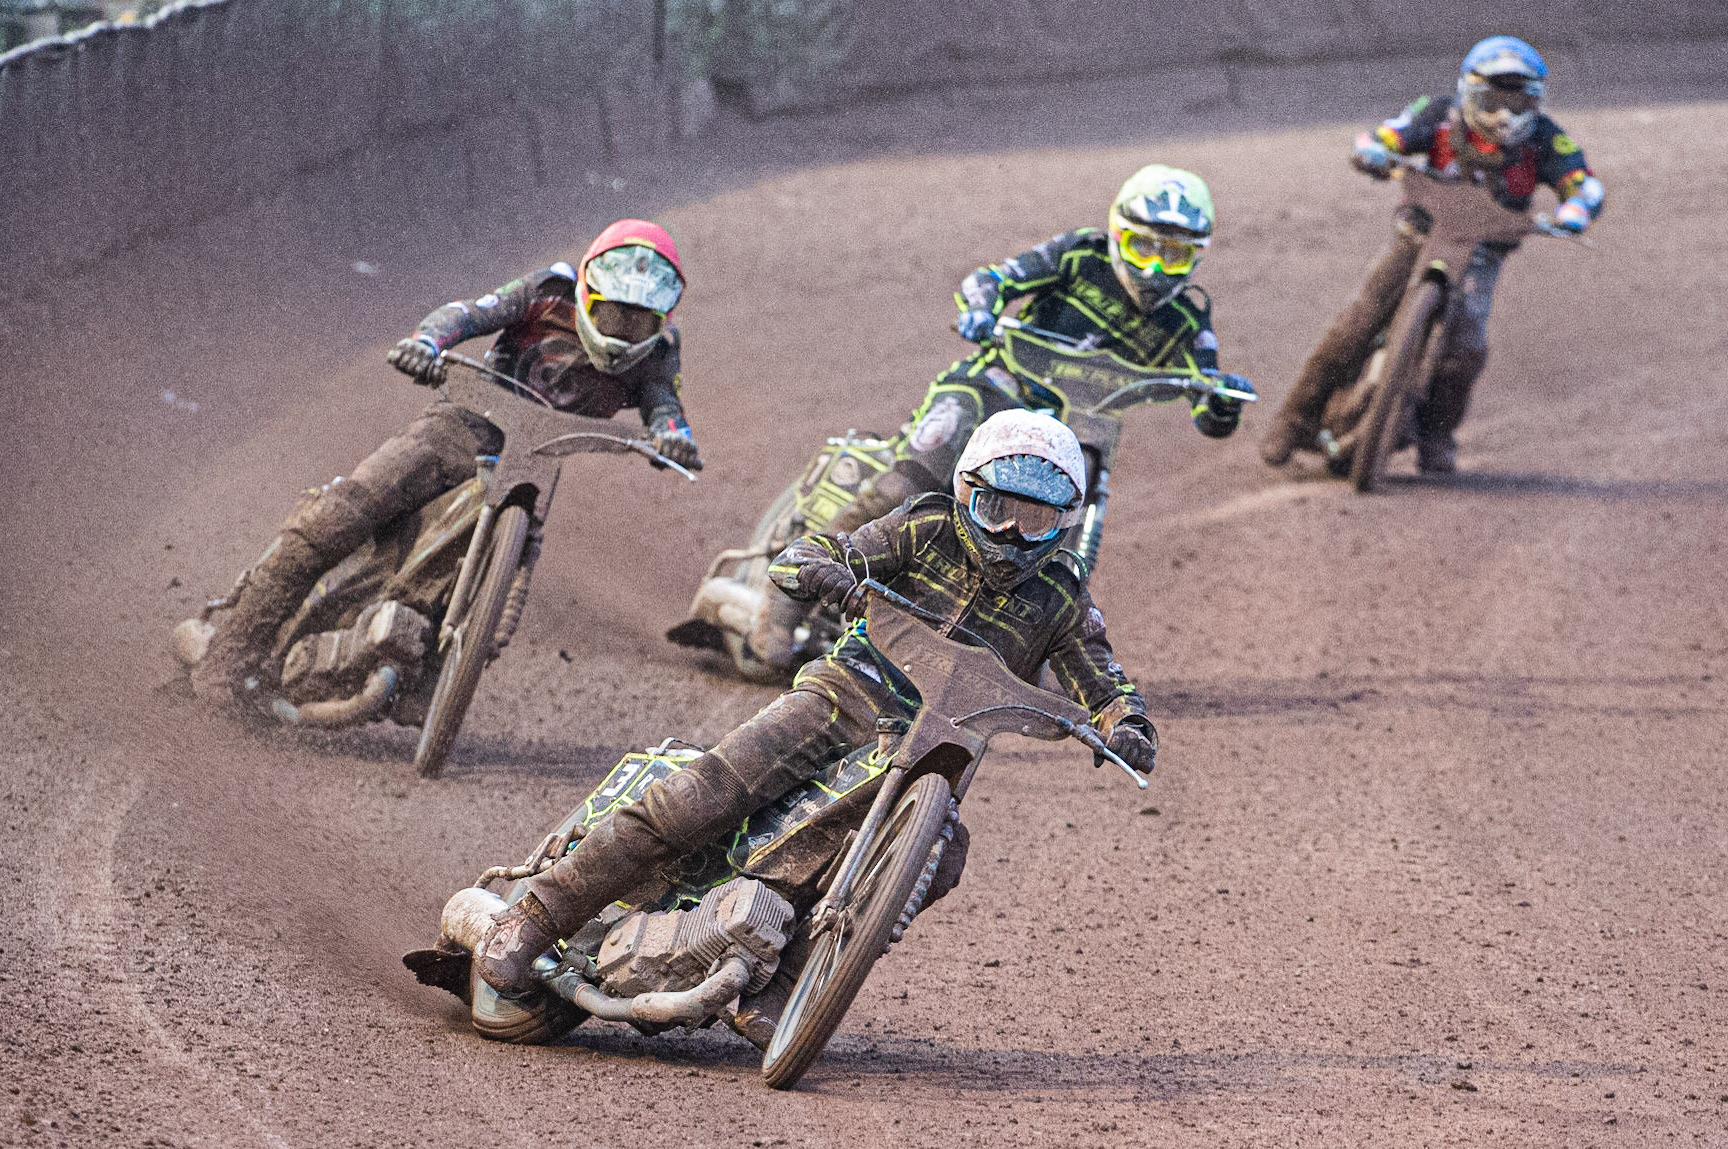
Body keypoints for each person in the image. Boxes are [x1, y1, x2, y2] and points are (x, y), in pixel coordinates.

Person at [475, 411, 1159, 998]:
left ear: (1064, 525)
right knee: (705, 792)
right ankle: (537, 914)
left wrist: (1124, 722)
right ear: (965, 493)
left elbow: (1102, 678)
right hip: (846, 693)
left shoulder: (1063, 597)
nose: (1011, 535)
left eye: (1034, 519)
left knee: (937, 857)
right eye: (997, 509)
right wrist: (822, 568)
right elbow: (823, 548)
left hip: (935, 748)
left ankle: (792, 981)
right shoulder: (925, 527)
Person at [741, 164, 1250, 670]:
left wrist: (1223, 401)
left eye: (1175, 255)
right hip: (993, 386)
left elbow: (1209, 396)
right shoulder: (1078, 255)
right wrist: (980, 308)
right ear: (1118, 235)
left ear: (1197, 258)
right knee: (907, 486)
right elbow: (994, 278)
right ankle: (790, 592)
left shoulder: (1187, 318)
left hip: (1070, 428)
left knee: (1048, 530)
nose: (1156, 270)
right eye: (1145, 248)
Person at [190, 219, 700, 702]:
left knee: (499, 612)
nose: (626, 331)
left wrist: (673, 438)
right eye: (615, 314)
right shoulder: (548, 289)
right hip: (461, 425)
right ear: (589, 295)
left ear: (663, 320)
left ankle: (424, 678)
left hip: (535, 464)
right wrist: (428, 342)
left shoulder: (661, 352)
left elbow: (664, 404)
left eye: (640, 321)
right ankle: (229, 657)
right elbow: (469, 314)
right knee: (337, 516)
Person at [1259, 36, 1605, 474]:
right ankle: (1292, 419)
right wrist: (1374, 151)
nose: (1504, 114)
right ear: (1468, 92)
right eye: (1493, 99)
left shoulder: (1546, 140)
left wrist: (1575, 208)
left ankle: (1437, 434)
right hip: (1417, 236)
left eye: (1518, 102)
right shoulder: (1439, 116)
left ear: (1535, 103)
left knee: (1466, 347)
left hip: (1481, 254)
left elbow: (1582, 181)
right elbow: (1389, 134)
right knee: (1358, 321)